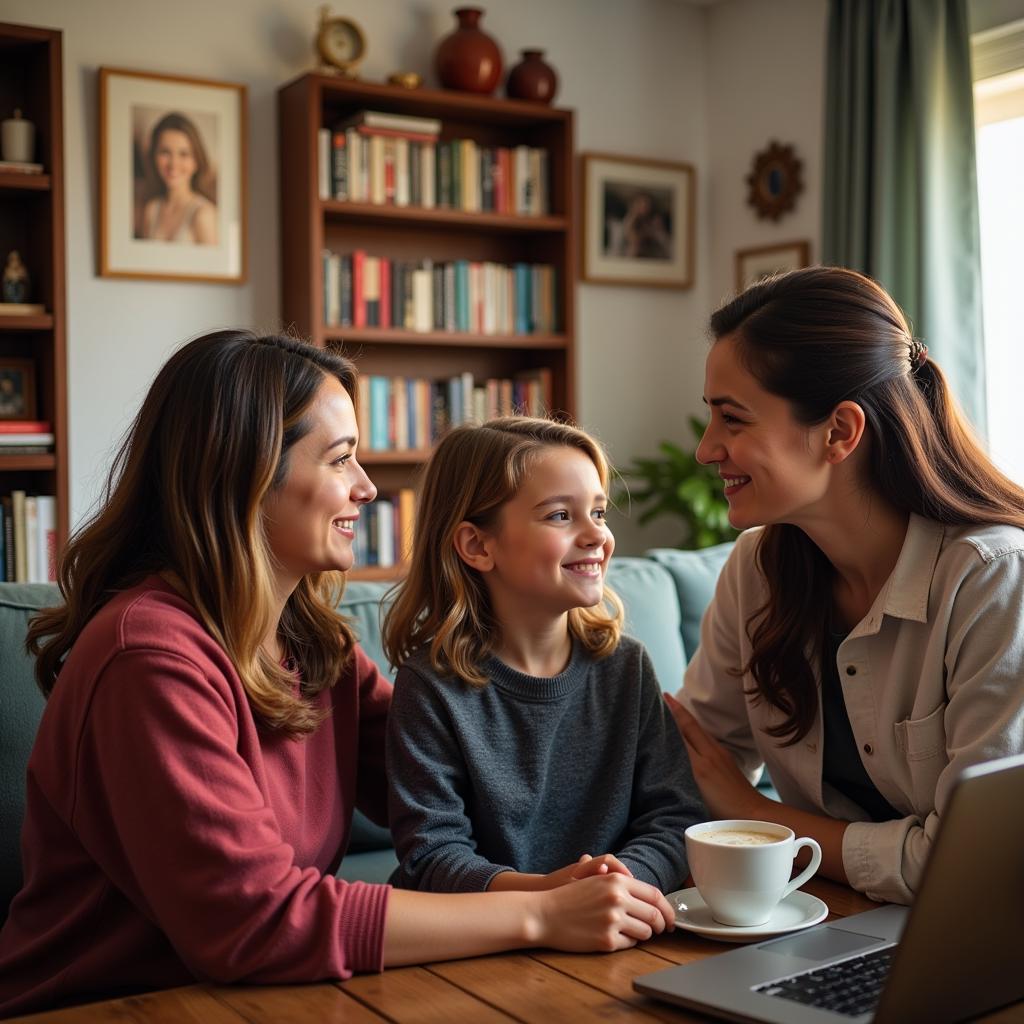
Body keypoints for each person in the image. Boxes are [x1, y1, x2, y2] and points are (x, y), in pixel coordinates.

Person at [0, 332, 679, 1019]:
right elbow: (255, 922)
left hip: (262, 998)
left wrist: (669, 763)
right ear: (246, 473)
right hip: (108, 1005)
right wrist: (541, 915)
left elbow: (453, 782)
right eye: (341, 458)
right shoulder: (148, 660)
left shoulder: (312, 645)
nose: (367, 486)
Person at [664, 266, 1024, 906]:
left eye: (733, 419)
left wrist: (756, 815)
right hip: (828, 922)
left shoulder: (994, 581)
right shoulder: (757, 570)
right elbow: (692, 771)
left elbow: (973, 865)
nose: (707, 449)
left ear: (839, 432)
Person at [383, 417, 705, 899]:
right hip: (485, 941)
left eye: (598, 512)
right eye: (560, 516)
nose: (596, 535)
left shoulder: (626, 667)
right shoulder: (430, 687)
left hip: (616, 914)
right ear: (477, 545)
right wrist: (549, 897)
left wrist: (619, 885)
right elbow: (432, 856)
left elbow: (676, 817)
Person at [139, 112, 217, 245]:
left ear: (196, 161)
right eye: (165, 152)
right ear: (154, 157)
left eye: (184, 154)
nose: (173, 164)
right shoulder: (151, 210)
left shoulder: (204, 214)